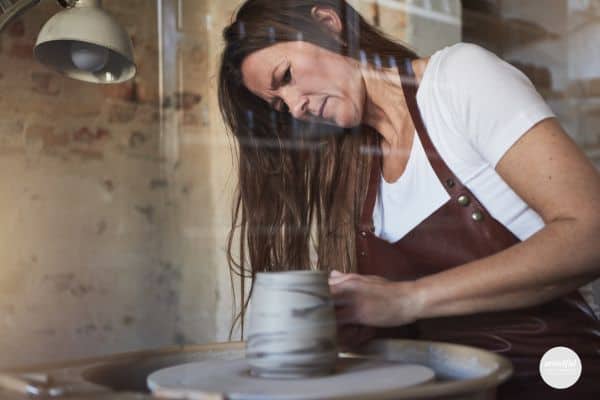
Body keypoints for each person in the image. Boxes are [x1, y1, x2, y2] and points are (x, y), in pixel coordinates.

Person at [217, 0, 600, 398]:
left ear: (328, 24)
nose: (297, 107)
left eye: (287, 75)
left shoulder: (457, 81)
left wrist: (405, 299)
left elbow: (592, 233)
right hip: (447, 389)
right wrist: (350, 317)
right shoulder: (356, 166)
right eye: (280, 104)